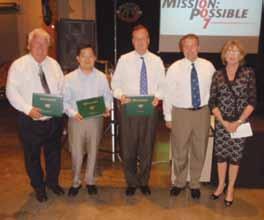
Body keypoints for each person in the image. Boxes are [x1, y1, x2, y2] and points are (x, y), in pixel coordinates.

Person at [6, 28, 65, 202]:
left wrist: (59, 104)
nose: (41, 48)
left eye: (45, 44)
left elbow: (62, 87)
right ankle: (39, 187)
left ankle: (52, 183)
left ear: (49, 46)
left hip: (53, 119)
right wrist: (27, 108)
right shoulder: (19, 65)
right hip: (30, 119)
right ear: (28, 45)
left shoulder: (54, 64)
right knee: (32, 156)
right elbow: (11, 91)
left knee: (54, 153)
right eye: (37, 44)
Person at [111, 24, 165, 196]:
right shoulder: (124, 59)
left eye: (144, 38)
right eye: (137, 39)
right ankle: (131, 182)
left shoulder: (156, 61)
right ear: (133, 41)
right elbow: (115, 84)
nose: (141, 42)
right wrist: (121, 96)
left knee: (147, 147)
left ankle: (144, 181)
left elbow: (163, 85)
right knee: (128, 147)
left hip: (150, 107)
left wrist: (158, 96)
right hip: (129, 108)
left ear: (148, 40)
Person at [163, 34, 215, 199]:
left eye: (193, 46)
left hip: (202, 112)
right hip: (181, 113)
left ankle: (194, 183)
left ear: (198, 47)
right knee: (180, 150)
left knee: (199, 150)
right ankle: (179, 182)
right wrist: (167, 117)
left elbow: (215, 92)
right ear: (181, 48)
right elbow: (167, 93)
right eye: (186, 46)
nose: (190, 49)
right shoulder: (174, 68)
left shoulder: (209, 66)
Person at [209, 40, 256, 207]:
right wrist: (223, 122)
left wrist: (238, 122)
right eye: (229, 51)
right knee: (221, 156)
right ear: (224, 54)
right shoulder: (218, 75)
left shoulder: (248, 73)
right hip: (222, 122)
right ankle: (221, 185)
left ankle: (230, 188)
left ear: (241, 55)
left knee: (235, 157)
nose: (232, 54)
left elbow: (252, 102)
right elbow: (212, 102)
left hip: (240, 123)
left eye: (236, 51)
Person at [63, 44, 112, 197]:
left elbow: (107, 97)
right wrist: (73, 113)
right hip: (77, 120)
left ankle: (90, 181)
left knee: (93, 152)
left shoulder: (101, 77)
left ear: (95, 58)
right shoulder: (68, 78)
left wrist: (106, 108)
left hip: (96, 120)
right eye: (83, 56)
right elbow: (64, 101)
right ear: (78, 58)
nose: (87, 59)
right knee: (77, 153)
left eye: (90, 56)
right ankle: (76, 182)